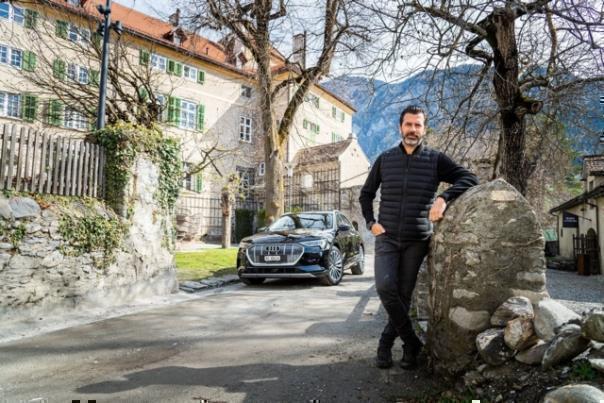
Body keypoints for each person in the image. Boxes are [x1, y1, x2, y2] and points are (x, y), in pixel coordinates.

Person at [359, 105, 478, 369]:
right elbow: (366, 194)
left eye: (418, 125)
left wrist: (443, 197)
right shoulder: (385, 159)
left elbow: (469, 178)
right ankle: (412, 342)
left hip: (417, 239)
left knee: (403, 294)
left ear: (424, 129)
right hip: (387, 236)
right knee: (385, 287)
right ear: (400, 127)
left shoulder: (435, 160)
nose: (413, 130)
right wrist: (371, 223)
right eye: (408, 124)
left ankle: (389, 345)